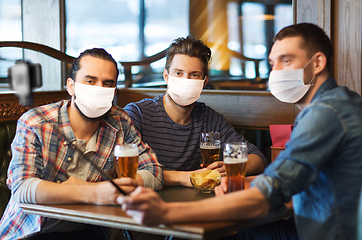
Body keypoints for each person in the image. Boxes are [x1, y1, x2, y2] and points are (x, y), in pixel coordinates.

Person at [118, 23, 362, 240]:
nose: (275, 72)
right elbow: (283, 179)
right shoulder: (343, 103)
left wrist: (167, 212)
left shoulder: (325, 114)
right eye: (272, 63)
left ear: (317, 63)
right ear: (166, 76)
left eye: (286, 61)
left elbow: (266, 195)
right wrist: (243, 183)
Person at [0, 48, 163, 240]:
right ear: (71, 86)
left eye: (107, 84)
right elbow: (22, 188)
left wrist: (124, 185)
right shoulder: (36, 122)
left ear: (114, 91)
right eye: (90, 81)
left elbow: (154, 171)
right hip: (32, 231)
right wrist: (93, 193)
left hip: (90, 230)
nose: (99, 89)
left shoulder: (120, 121)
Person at [124, 35, 267, 187]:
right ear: (166, 76)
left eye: (194, 75)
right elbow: (128, 171)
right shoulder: (138, 114)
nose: (186, 80)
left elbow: (258, 158)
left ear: (204, 81)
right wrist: (184, 177)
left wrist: (230, 168)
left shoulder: (210, 119)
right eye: (178, 73)